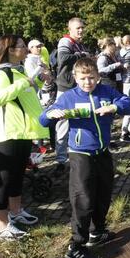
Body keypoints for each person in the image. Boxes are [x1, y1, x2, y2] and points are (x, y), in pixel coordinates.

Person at [40, 57, 130, 258]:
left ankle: (97, 231)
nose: (87, 82)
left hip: (102, 152)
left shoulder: (106, 92)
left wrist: (114, 108)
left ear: (98, 77)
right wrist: (52, 114)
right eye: (83, 78)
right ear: (75, 78)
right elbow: (43, 118)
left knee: (103, 193)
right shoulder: (69, 97)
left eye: (91, 78)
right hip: (80, 154)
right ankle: (76, 245)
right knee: (83, 199)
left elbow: (129, 103)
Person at [0, 35, 50, 240]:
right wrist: (25, 83)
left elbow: (29, 92)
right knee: (5, 179)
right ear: (10, 50)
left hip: (24, 131)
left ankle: (16, 212)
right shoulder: (1, 73)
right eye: (22, 47)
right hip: (9, 132)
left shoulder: (18, 70)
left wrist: (40, 79)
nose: (26, 49)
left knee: (17, 175)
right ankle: (2, 226)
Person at [54, 18, 90, 171]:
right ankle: (61, 160)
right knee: (63, 124)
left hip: (78, 88)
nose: (81, 30)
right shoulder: (65, 41)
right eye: (78, 28)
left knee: (81, 119)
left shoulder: (79, 44)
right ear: (70, 29)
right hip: (66, 88)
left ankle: (80, 153)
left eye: (82, 27)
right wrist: (81, 55)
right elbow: (62, 58)